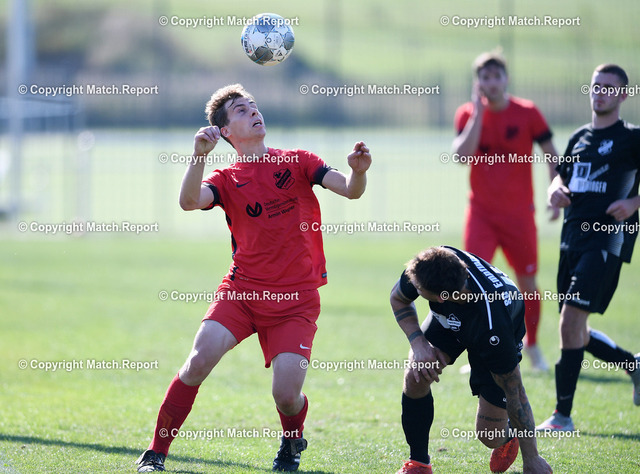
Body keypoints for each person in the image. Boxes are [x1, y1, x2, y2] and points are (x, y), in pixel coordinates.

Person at [135, 84, 372, 472]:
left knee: (287, 396)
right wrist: (198, 156)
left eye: (254, 106)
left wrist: (358, 172)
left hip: (295, 301)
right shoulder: (226, 178)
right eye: (241, 110)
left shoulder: (299, 161)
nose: (253, 112)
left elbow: (350, 190)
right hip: (241, 293)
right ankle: (156, 452)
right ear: (226, 131)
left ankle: (292, 442)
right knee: (196, 363)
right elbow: (189, 202)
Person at [537, 64, 640, 432]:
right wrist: (554, 192)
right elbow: (559, 178)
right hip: (572, 240)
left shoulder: (632, 138)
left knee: (570, 322)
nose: (600, 93)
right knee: (574, 330)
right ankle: (633, 365)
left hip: (606, 241)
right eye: (596, 86)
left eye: (609, 87)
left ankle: (562, 416)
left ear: (623, 94)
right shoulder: (579, 137)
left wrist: (634, 203)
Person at [391, 246, 552, 474]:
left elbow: (515, 390)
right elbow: (398, 298)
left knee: (489, 434)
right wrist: (419, 344)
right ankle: (419, 463)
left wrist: (532, 458)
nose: (413, 287)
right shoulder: (429, 266)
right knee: (416, 374)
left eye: (419, 289)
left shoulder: (493, 326)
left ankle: (509, 434)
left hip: (492, 332)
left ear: (440, 298)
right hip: (451, 317)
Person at [452, 51, 560, 371]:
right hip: (481, 215)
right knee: (471, 284)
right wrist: (478, 114)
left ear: (506, 79)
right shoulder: (467, 114)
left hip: (519, 216)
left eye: (497, 76)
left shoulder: (527, 112)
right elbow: (461, 156)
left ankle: (533, 346)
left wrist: (554, 192)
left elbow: (552, 154)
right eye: (485, 77)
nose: (492, 83)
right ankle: (478, 354)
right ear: (478, 82)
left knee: (527, 283)